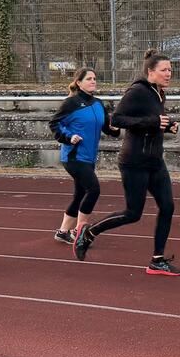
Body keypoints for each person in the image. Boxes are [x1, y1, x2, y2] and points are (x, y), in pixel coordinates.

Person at [72, 49, 180, 276]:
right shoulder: (138, 91)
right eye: (164, 70)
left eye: (170, 69)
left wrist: (168, 124)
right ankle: (89, 232)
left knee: (168, 207)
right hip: (134, 161)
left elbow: (153, 122)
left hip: (155, 160)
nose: (169, 73)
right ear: (151, 72)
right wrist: (152, 121)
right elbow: (118, 119)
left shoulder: (159, 93)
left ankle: (157, 260)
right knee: (133, 213)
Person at [48, 68, 120, 244]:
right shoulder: (71, 103)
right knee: (93, 189)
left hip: (89, 157)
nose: (93, 81)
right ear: (79, 83)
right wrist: (68, 137)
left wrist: (113, 130)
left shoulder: (98, 103)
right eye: (89, 79)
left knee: (80, 193)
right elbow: (55, 124)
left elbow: (105, 127)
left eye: (95, 78)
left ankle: (63, 231)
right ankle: (79, 231)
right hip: (74, 157)